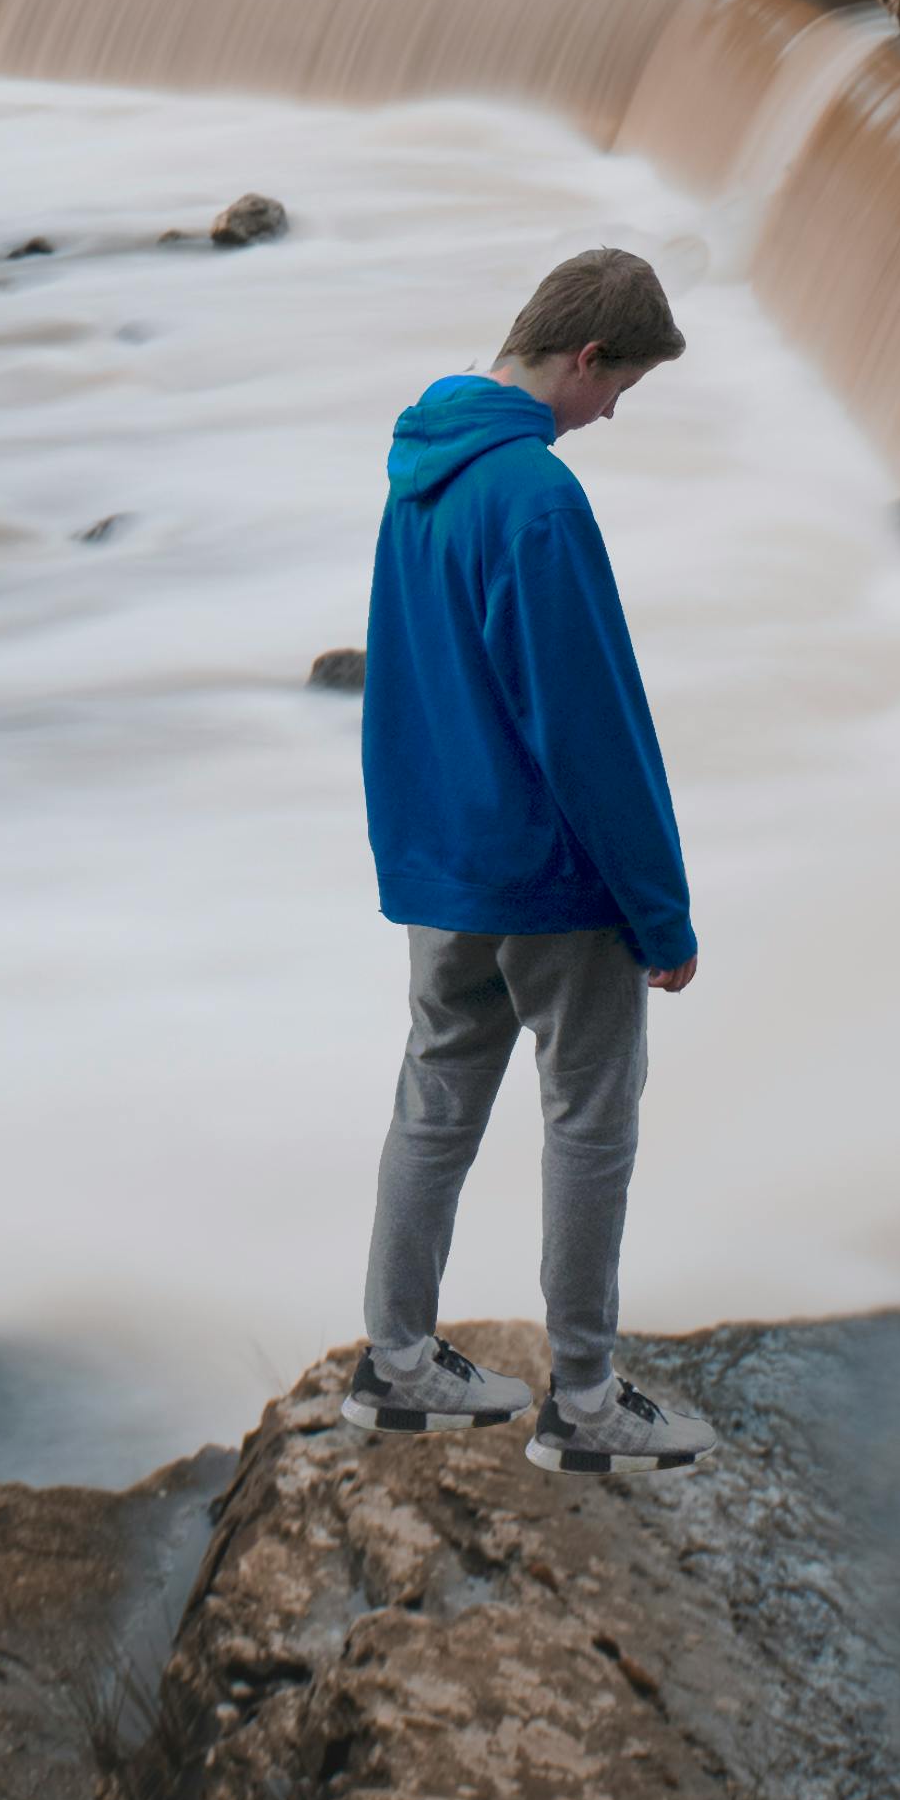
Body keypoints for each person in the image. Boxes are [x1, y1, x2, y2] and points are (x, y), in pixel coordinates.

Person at [344, 243, 718, 1476]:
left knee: (434, 1104)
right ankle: (585, 1398)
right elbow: (589, 726)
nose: (610, 414)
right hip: (548, 873)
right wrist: (659, 915)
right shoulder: (536, 498)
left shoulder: (421, 462)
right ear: (585, 355)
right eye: (619, 388)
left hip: (443, 855)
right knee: (590, 1119)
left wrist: (407, 842)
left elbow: (409, 669)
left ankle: (394, 1362)